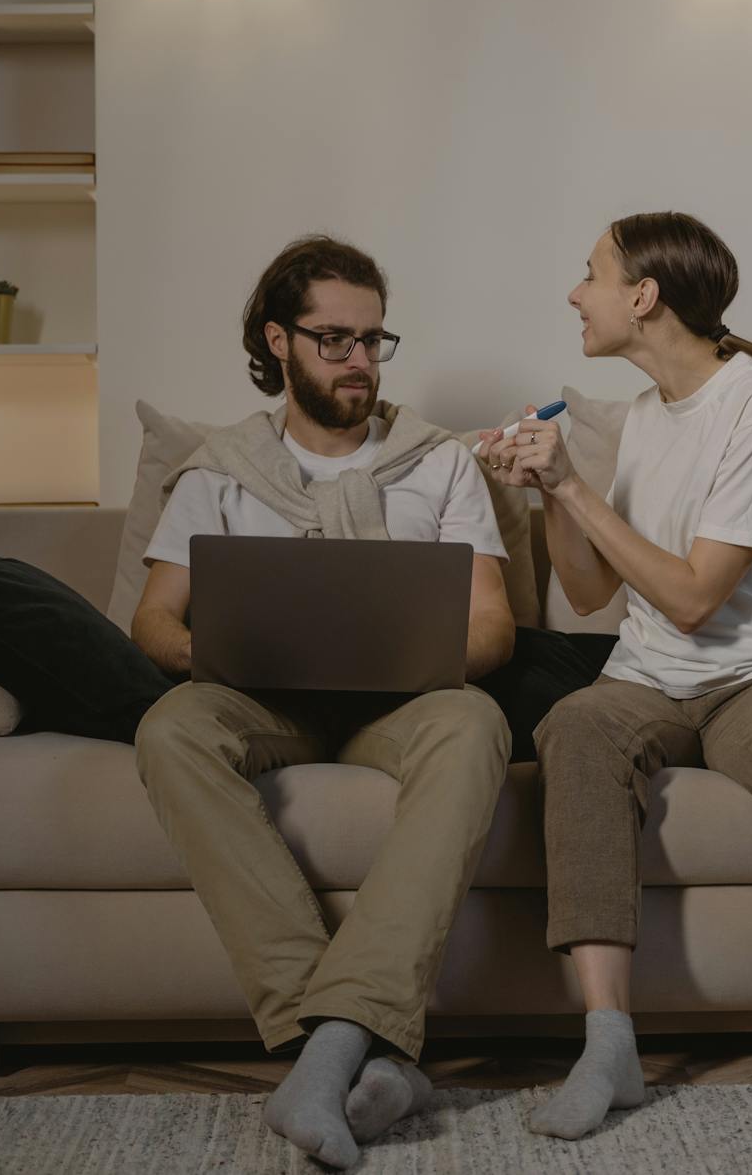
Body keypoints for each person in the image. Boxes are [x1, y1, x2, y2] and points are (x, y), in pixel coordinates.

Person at [480, 211, 752, 1141]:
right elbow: (591, 593)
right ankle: (609, 1045)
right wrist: (550, 490)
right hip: (649, 677)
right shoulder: (644, 415)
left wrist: (577, 486)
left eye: (590, 274)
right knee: (574, 726)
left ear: (643, 296)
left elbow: (694, 598)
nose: (574, 294)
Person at [133, 235, 516, 1169]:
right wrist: (220, 656)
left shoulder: (440, 462)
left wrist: (411, 656)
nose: (359, 360)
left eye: (373, 339)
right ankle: (350, 1050)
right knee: (172, 728)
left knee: (477, 723)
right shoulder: (220, 468)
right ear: (280, 341)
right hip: (265, 699)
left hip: (403, 703)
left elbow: (494, 628)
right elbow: (153, 620)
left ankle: (329, 1051)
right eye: (334, 339)